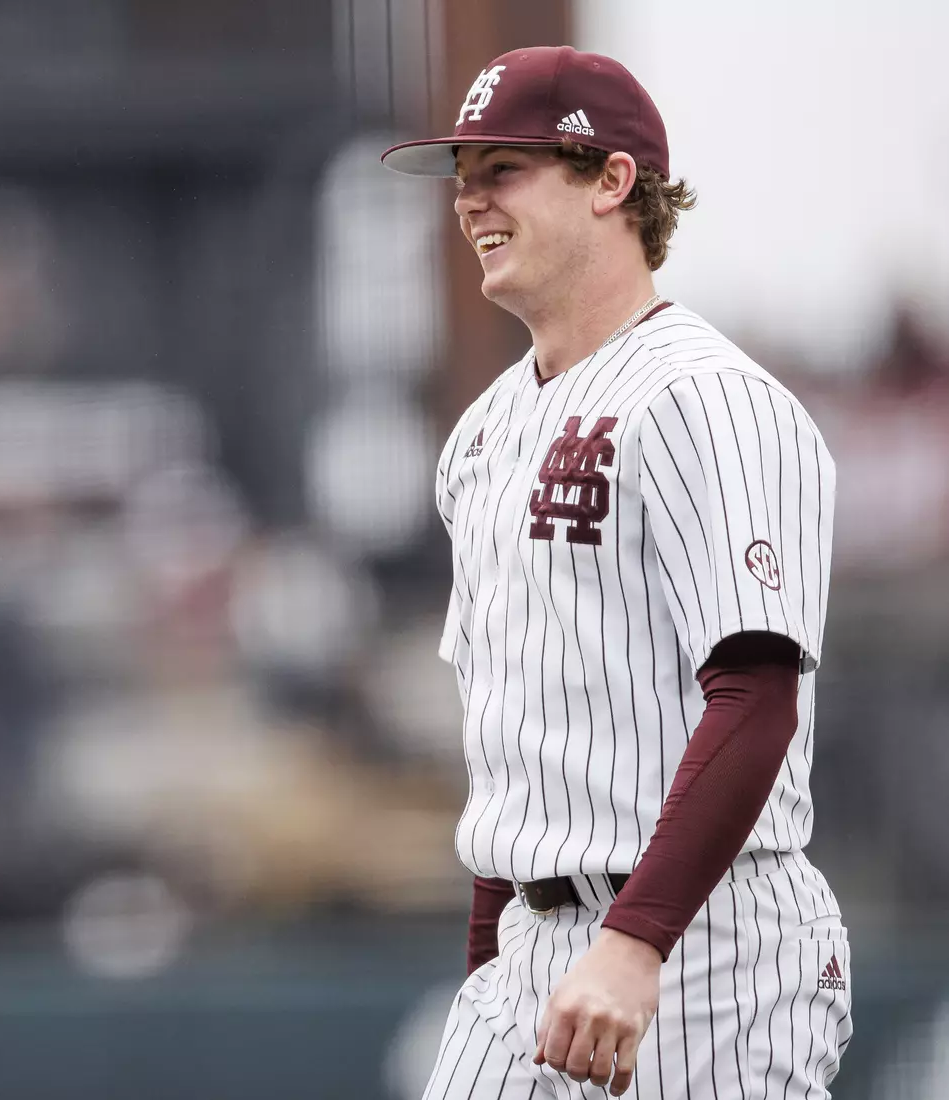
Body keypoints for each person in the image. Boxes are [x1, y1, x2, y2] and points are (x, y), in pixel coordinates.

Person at [381, 46, 849, 1098]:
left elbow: (757, 695)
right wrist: (489, 961)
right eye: (463, 175)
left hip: (707, 945)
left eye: (505, 168)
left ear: (611, 180)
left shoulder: (710, 398)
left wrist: (636, 940)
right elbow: (511, 736)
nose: (469, 199)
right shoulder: (486, 432)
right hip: (529, 946)